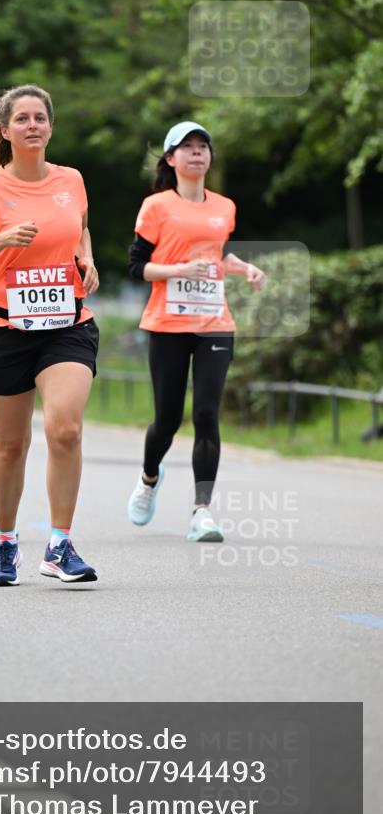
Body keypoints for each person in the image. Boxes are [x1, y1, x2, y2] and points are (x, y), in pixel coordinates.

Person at [0, 84, 100, 587]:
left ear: (50, 127)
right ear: (5, 130)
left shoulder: (71, 180)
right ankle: (7, 543)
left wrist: (88, 258)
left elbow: (79, 226)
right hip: (3, 328)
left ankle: (60, 544)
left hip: (67, 324)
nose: (33, 125)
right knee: (11, 444)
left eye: (41, 117)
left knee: (65, 428)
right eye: (22, 119)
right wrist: (0, 240)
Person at [127, 121, 265, 541]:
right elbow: (137, 267)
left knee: (206, 414)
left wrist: (244, 268)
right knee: (167, 419)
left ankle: (201, 510)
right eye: (186, 147)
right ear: (171, 158)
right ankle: (149, 478)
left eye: (203, 146)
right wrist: (178, 270)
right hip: (168, 323)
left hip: (214, 324)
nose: (197, 153)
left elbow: (217, 255)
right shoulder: (156, 206)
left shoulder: (224, 207)